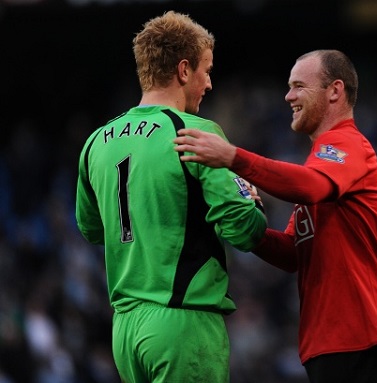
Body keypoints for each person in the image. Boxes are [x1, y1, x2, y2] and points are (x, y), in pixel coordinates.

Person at [173, 49, 377, 383]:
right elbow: (293, 253)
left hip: (360, 335)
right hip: (329, 340)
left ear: (335, 91)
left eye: (298, 86)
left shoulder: (349, 145)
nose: (288, 96)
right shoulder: (323, 164)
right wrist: (239, 221)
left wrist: (234, 157)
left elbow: (309, 187)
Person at [75, 11, 267, 383]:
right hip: (183, 323)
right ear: (183, 70)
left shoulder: (96, 142)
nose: (209, 83)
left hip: (126, 331)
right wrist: (254, 202)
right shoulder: (195, 132)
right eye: (206, 71)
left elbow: (91, 229)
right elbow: (245, 230)